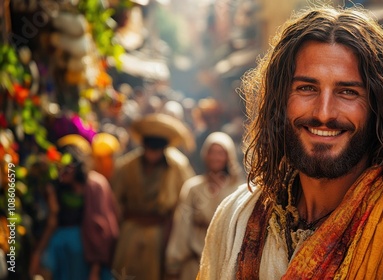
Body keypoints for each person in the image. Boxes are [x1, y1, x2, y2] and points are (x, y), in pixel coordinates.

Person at [198, 6, 383, 279]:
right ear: (280, 102)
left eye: (347, 92)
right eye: (306, 88)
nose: (324, 113)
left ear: (377, 108)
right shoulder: (237, 217)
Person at [111, 113, 195, 280]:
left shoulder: (178, 166)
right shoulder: (126, 166)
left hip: (162, 232)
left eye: (156, 150)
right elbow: (114, 200)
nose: (152, 154)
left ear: (164, 149)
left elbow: (188, 199)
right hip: (130, 231)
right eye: (149, 149)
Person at [29, 135, 119, 280]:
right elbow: (52, 222)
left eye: (68, 167)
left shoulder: (95, 185)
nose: (63, 171)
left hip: (86, 253)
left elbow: (102, 230)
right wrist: (38, 253)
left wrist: (95, 271)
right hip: (60, 252)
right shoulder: (58, 188)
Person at [165, 132, 244, 280]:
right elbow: (182, 226)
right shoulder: (193, 188)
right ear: (205, 155)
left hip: (226, 267)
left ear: (229, 156)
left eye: (220, 153)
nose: (216, 157)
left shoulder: (239, 189)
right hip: (195, 263)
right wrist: (174, 261)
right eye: (212, 152)